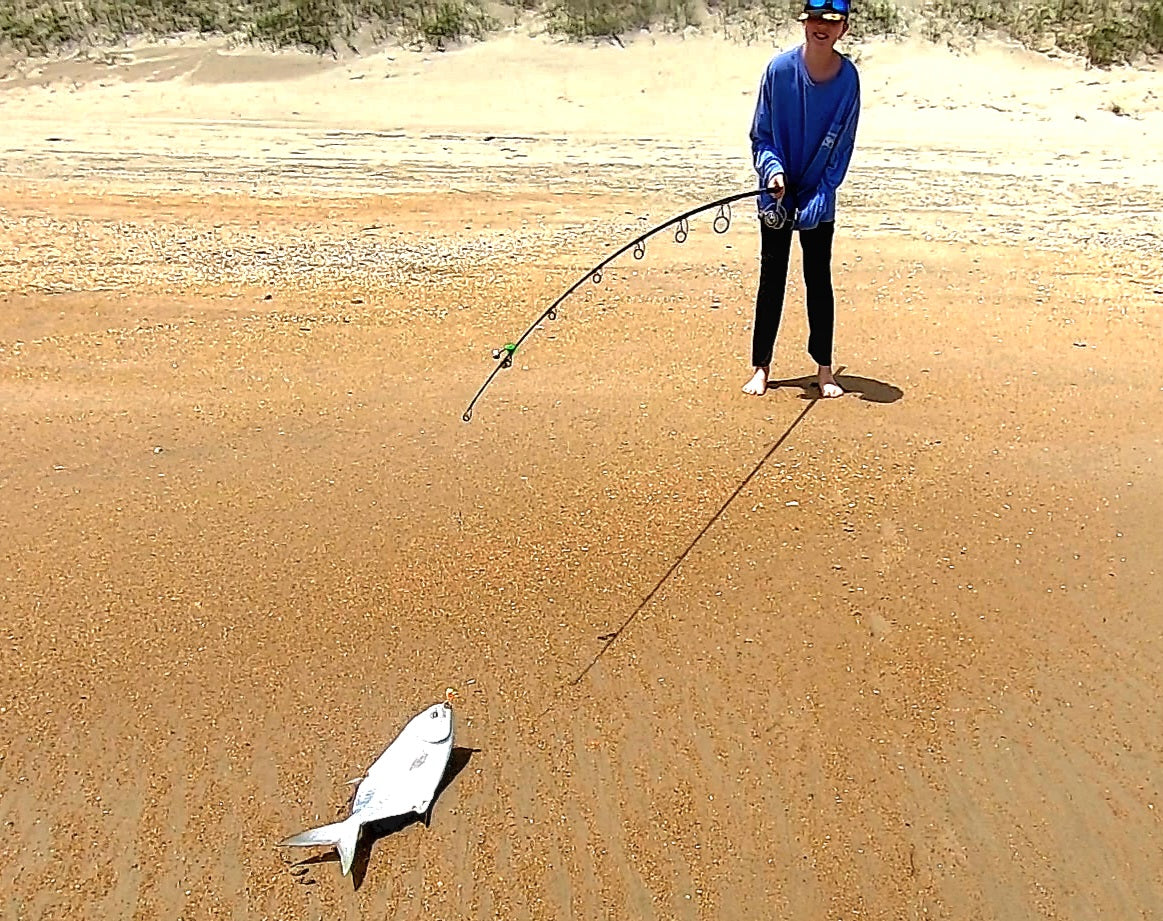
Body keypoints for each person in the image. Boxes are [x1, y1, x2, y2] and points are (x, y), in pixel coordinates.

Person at [743, 0, 861, 399]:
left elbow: (843, 146)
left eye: (831, 21)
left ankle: (825, 369)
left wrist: (824, 193)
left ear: (843, 28)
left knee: (818, 279)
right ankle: (761, 367)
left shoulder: (849, 80)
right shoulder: (778, 71)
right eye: (814, 20)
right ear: (804, 24)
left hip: (819, 191)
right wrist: (772, 171)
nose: (821, 28)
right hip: (776, 189)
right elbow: (761, 135)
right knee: (771, 278)